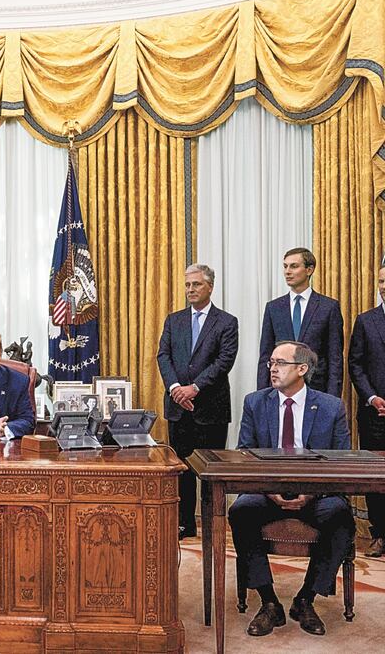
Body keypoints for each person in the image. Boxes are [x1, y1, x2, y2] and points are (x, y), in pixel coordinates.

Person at [229, 341, 354, 638]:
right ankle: (270, 602)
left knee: (340, 516)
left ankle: (305, 599)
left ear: (302, 369)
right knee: (241, 511)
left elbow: (341, 461)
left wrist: (311, 492)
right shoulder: (255, 402)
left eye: (280, 363)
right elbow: (245, 454)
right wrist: (269, 489)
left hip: (316, 493)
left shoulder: (330, 407)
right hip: (267, 492)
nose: (272, 368)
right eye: (271, 362)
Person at [157, 263, 238, 539]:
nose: (190, 289)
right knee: (182, 469)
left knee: (210, 472)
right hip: (178, 408)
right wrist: (177, 388)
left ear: (210, 287)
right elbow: (163, 357)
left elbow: (224, 361)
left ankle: (212, 525)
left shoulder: (227, 322)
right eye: (188, 284)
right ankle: (185, 524)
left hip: (210, 409)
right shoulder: (174, 320)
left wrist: (195, 388)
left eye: (197, 284)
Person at [257, 247, 343, 396]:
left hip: (317, 389)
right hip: (280, 390)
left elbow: (335, 358)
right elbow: (265, 354)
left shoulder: (328, 307)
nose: (287, 271)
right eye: (285, 266)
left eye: (294, 266)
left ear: (309, 270)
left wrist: (333, 397)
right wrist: (263, 394)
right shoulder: (274, 308)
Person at [349, 264, 385, 557]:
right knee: (377, 477)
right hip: (375, 414)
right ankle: (380, 534)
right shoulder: (365, 320)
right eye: (382, 281)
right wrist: (372, 397)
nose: (384, 286)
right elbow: (355, 364)